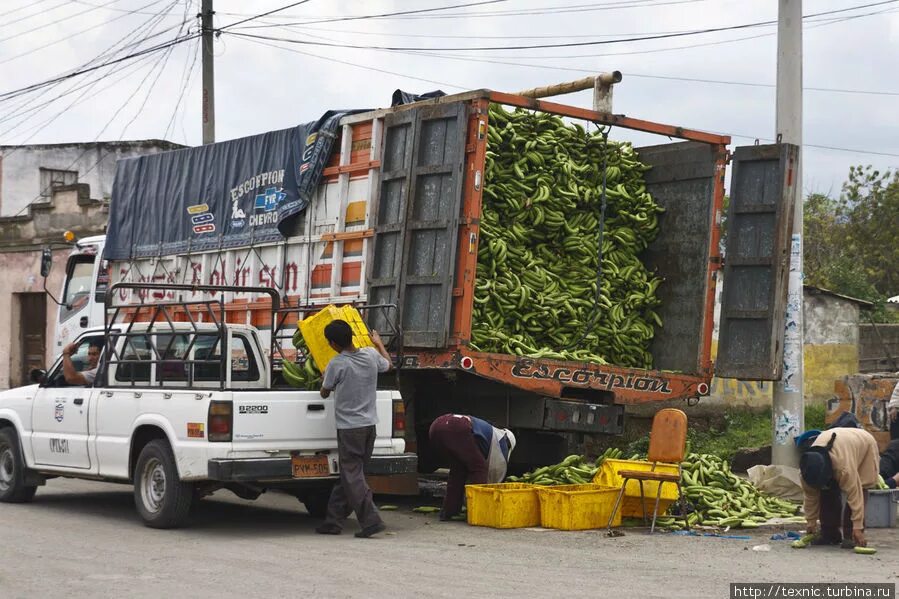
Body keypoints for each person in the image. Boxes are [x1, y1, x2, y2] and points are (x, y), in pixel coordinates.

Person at [315, 320, 391, 539]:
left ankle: (371, 520)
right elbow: (389, 365)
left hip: (349, 429)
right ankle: (333, 521)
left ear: (332, 343)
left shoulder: (337, 363)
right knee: (351, 475)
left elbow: (324, 392)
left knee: (352, 475)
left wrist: (324, 381)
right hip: (369, 427)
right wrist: (379, 344)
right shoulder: (370, 355)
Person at [799, 427, 880, 548]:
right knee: (827, 490)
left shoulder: (843, 468)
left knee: (862, 486)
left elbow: (855, 496)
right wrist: (811, 522)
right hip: (840, 443)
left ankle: (851, 534)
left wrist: (858, 527)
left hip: (864, 444)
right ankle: (829, 533)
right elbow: (810, 497)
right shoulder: (806, 471)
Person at [428, 414, 516, 521]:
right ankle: (478, 511)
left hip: (436, 426)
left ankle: (449, 512)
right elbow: (495, 473)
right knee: (478, 468)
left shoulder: (489, 431)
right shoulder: (500, 442)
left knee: (458, 471)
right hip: (456, 427)